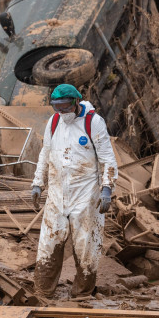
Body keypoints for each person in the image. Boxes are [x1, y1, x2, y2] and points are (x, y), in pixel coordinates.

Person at [31, 84, 118, 297]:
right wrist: (37, 183)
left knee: (85, 245)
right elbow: (46, 153)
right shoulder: (53, 123)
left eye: (65, 107)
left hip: (85, 194)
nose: (62, 113)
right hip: (57, 194)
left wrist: (106, 189)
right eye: (57, 108)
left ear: (76, 102)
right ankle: (43, 292)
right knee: (48, 244)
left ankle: (82, 295)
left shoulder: (93, 123)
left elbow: (107, 158)